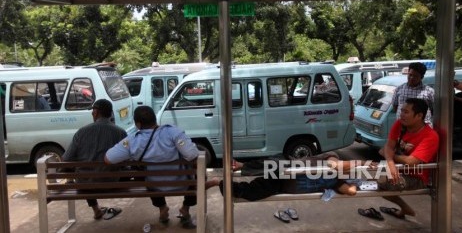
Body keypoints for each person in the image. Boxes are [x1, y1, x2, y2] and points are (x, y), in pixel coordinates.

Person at [105, 105, 199, 228]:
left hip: (155, 186)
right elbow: (192, 155)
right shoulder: (172, 132)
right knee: (198, 176)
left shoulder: (132, 140)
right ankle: (185, 209)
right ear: (155, 119)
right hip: (181, 183)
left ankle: (162, 209)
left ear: (138, 124)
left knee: (150, 178)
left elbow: (108, 159)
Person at [359, 98, 439, 220]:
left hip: (417, 177)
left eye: (406, 112)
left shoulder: (430, 136)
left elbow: (411, 162)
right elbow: (388, 147)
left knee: (378, 182)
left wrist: (389, 154)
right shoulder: (400, 124)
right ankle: (405, 208)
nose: (401, 114)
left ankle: (404, 208)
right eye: (401, 111)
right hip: (397, 169)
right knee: (371, 179)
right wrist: (390, 162)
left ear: (419, 116)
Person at [62, 99, 128, 220]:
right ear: (111, 114)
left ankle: (96, 209)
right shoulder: (121, 132)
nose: (92, 114)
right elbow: (128, 159)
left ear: (96, 112)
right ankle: (97, 210)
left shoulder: (81, 132)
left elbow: (66, 159)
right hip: (112, 182)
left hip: (85, 185)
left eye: (93, 111)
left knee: (85, 174)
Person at [206, 152, 362, 202]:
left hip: (281, 185)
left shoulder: (337, 182)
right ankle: (242, 165)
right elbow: (338, 166)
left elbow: (351, 191)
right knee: (269, 164)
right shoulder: (332, 157)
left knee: (251, 193)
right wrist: (360, 162)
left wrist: (357, 185)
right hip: (285, 168)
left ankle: (217, 182)